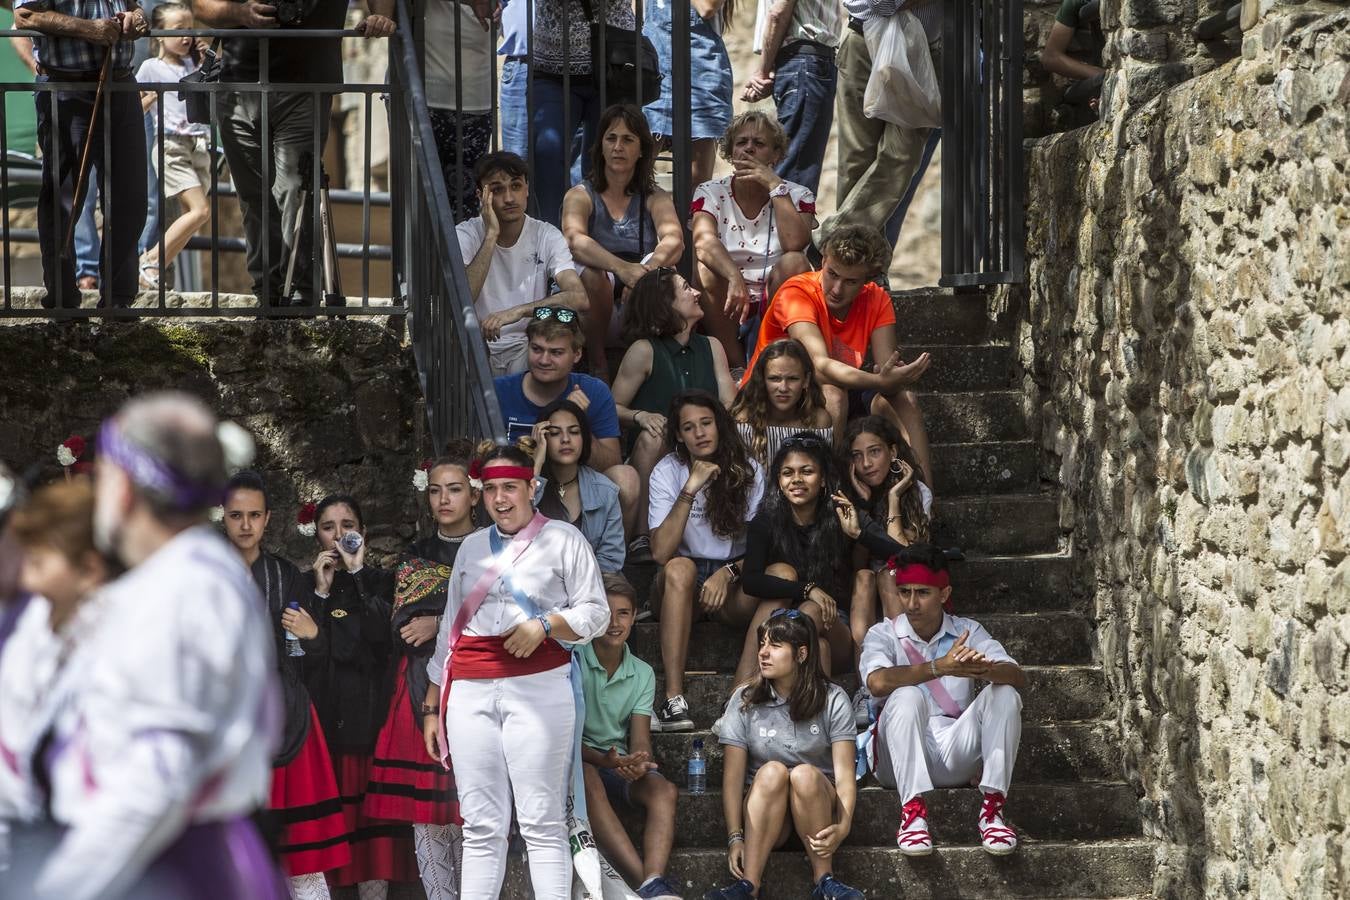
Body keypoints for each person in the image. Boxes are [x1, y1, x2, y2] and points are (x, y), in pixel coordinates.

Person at [6, 394, 286, 898]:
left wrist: (54, 888)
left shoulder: (186, 591)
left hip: (172, 869)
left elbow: (155, 780)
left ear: (126, 489)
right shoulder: (171, 580)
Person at [422, 443, 610, 899]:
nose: (500, 499)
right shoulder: (469, 547)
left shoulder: (565, 539)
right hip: (468, 689)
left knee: (542, 822)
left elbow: (596, 612)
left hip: (540, 685)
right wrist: (431, 706)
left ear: (532, 487)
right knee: (481, 826)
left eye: (510, 487)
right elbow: (450, 629)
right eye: (489, 489)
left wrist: (545, 625)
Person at [194, 0, 394, 307]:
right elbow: (200, 6)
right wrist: (241, 13)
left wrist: (382, 15)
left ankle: (299, 293)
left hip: (307, 84)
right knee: (253, 195)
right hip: (238, 86)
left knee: (295, 191)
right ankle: (269, 293)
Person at [221, 471, 351, 900]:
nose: (245, 525)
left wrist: (312, 635)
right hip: (224, 721)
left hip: (287, 716)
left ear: (267, 518)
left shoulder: (284, 575)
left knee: (300, 860)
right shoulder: (202, 576)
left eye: (253, 515)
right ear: (223, 516)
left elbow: (306, 658)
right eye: (236, 515)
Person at [859, 543, 1025, 856]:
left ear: (944, 594)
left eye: (922, 592)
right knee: (906, 695)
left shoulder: (968, 630)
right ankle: (912, 815)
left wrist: (984, 670)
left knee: (1003, 692)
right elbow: (877, 683)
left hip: (953, 753)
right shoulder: (882, 634)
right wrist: (938, 668)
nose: (911, 603)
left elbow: (1018, 676)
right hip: (895, 760)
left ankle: (993, 812)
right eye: (904, 591)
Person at [742, 225, 935, 486]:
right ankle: (831, 492)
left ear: (868, 279)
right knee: (833, 394)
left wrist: (892, 378)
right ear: (823, 261)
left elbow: (886, 369)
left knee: (904, 400)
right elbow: (818, 367)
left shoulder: (876, 298)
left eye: (850, 281)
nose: (836, 288)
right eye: (832, 274)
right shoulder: (796, 292)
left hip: (838, 384)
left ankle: (923, 504)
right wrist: (879, 381)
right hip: (779, 388)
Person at [365, 455, 478, 900]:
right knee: (428, 813)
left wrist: (437, 621)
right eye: (435, 490)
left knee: (472, 808)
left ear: (473, 494)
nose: (444, 498)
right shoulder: (417, 554)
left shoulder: (492, 546)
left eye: (453, 488)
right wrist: (431, 620)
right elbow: (404, 626)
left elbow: (501, 617)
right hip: (419, 689)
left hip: (477, 684)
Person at [302, 493, 418, 893]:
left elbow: (380, 637)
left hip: (370, 720)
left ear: (363, 532)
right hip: (324, 723)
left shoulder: (382, 581)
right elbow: (302, 651)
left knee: (373, 846)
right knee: (331, 837)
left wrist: (355, 573)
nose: (339, 535)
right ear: (315, 534)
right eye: (328, 527)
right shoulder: (306, 584)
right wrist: (319, 593)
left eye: (347, 526)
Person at [706, 610, 863, 900]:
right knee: (772, 771)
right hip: (766, 817)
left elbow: (844, 775)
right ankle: (749, 885)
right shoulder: (744, 700)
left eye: (775, 646)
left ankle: (824, 880)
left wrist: (843, 825)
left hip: (817, 812)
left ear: (801, 654)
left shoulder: (832, 698)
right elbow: (732, 779)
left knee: (803, 774)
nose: (763, 653)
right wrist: (734, 837)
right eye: (762, 644)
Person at [15, 0, 149, 309]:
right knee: (64, 196)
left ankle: (119, 300)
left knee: (130, 196)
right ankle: (62, 299)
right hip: (66, 85)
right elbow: (25, 15)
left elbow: (137, 9)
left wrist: (136, 20)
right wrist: (90, 30)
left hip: (121, 82)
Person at [648, 390, 765, 732]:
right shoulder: (667, 471)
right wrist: (691, 487)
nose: (699, 433)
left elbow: (765, 546)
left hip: (733, 579)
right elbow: (660, 552)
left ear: (720, 425)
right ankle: (673, 698)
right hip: (680, 581)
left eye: (706, 423)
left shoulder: (750, 470)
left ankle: (739, 697)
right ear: (678, 436)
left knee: (780, 574)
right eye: (688, 427)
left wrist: (729, 572)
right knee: (680, 568)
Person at [0, 480, 111, 831]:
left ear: (89, 571)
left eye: (38, 562)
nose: (28, 581)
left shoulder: (116, 649)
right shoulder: (35, 623)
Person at [735, 433, 882, 686]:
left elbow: (899, 553)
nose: (797, 480)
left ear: (823, 478)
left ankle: (755, 689)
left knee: (811, 612)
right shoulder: (766, 521)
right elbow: (750, 581)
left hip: (837, 628)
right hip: (787, 630)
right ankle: (739, 695)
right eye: (787, 473)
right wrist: (807, 588)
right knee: (814, 638)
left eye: (807, 471)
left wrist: (858, 533)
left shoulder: (842, 514)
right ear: (778, 481)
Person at [611, 267, 736, 538]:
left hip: (705, 445)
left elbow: (730, 403)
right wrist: (640, 416)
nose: (697, 292)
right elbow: (611, 407)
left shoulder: (712, 345)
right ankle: (644, 536)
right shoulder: (644, 350)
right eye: (686, 289)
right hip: (661, 452)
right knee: (652, 436)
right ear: (665, 304)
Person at [561, 105, 684, 380]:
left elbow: (675, 241)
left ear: (641, 150)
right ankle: (598, 364)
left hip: (640, 292)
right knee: (592, 276)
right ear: (601, 146)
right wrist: (622, 269)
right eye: (611, 138)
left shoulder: (655, 195)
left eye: (628, 139)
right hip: (595, 295)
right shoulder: (580, 194)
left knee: (667, 277)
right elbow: (574, 240)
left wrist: (645, 272)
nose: (618, 147)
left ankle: (654, 365)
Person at [579, 573, 682, 900]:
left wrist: (639, 761)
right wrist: (602, 759)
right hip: (581, 762)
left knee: (663, 789)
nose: (614, 622)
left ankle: (654, 879)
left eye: (623, 613)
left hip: (617, 763)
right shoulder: (575, 659)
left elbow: (639, 738)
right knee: (588, 778)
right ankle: (647, 885)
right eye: (606, 613)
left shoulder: (642, 672)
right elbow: (562, 738)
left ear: (634, 616)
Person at [495, 311, 642, 535]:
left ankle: (609, 563)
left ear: (577, 354)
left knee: (626, 478)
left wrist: (578, 420)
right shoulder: (499, 391)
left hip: (576, 488)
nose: (544, 360)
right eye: (537, 349)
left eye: (556, 352)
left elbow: (610, 463)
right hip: (518, 489)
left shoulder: (593, 391)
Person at [690, 112, 814, 367]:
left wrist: (775, 187)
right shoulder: (710, 191)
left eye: (759, 144)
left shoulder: (797, 194)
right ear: (731, 151)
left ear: (775, 154)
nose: (748, 149)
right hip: (727, 293)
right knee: (705, 268)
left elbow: (795, 244)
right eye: (741, 142)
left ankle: (766, 356)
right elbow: (703, 242)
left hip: (773, 292)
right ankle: (734, 364)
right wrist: (734, 276)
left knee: (795, 263)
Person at [821, 0, 942, 250]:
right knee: (856, 159)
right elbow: (881, 4)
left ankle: (835, 242)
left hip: (924, 50)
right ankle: (857, 265)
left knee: (903, 156)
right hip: (862, 41)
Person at [459, 151, 589, 376]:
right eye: (497, 190)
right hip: (475, 346)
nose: (509, 198)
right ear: (482, 196)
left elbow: (579, 297)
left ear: (527, 189)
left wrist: (517, 312)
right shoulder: (465, 234)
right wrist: (491, 235)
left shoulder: (546, 234)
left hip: (527, 346)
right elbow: (462, 296)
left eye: (516, 186)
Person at [529, 0, 636, 227]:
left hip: (614, 64)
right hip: (552, 67)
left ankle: (602, 242)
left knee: (608, 160)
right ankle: (551, 241)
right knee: (546, 152)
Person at [134, 2, 210, 290]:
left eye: (190, 28)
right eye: (178, 30)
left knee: (191, 219)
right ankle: (151, 261)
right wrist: (148, 101)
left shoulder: (195, 64)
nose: (186, 36)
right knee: (200, 211)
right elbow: (134, 110)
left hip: (200, 146)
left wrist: (207, 62)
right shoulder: (151, 67)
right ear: (159, 35)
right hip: (171, 146)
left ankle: (150, 270)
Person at [842, 415, 931, 650]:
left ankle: (906, 659)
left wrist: (894, 498)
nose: (866, 464)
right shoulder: (848, 497)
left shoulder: (916, 493)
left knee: (888, 573)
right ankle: (867, 677)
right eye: (857, 456)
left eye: (874, 452)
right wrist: (864, 506)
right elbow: (856, 564)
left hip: (905, 584)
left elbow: (904, 555)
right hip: (862, 594)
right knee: (864, 576)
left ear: (892, 452)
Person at [742, 0, 841, 194]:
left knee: (794, 170)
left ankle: (787, 222)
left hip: (803, 59)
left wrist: (763, 70)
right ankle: (787, 222)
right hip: (803, 61)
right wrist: (768, 68)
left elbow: (778, 13)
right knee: (796, 170)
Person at [528, 398, 626, 572]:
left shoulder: (605, 491)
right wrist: (536, 464)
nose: (565, 439)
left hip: (590, 585)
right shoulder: (523, 486)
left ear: (584, 438)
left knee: (619, 598)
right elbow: (515, 537)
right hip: (535, 582)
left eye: (574, 432)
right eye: (555, 433)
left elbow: (611, 560)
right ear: (542, 439)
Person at [642, 0, 733, 187]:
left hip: (700, 71)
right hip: (655, 69)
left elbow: (706, 8)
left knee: (696, 181)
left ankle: (690, 216)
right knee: (637, 171)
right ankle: (650, 215)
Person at [425, 0, 494, 216]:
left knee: (465, 208)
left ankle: (463, 252)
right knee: (423, 202)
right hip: (425, 100)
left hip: (476, 103)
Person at [730, 338, 833, 467]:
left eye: (792, 379)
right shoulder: (745, 420)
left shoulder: (818, 421)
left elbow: (823, 474)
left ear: (806, 380)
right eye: (774, 379)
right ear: (762, 380)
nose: (783, 388)